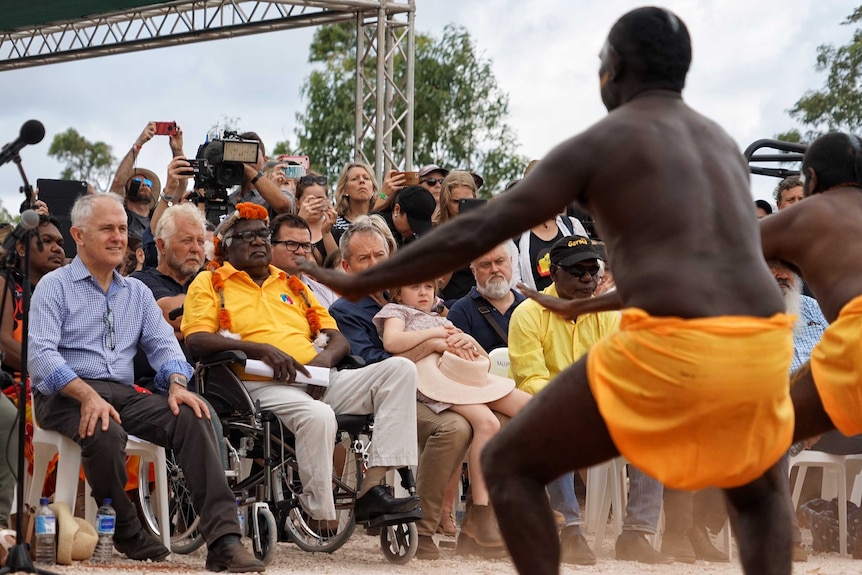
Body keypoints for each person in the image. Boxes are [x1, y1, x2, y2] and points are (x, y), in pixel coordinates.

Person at [299, 8, 796, 575]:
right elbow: (691, 263)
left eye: (602, 61)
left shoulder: (606, 139)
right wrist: (592, 301)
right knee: (756, 493)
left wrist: (363, 278)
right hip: (761, 336)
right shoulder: (720, 143)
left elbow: (480, 226)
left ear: (617, 69)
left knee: (510, 459)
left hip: (678, 340)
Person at [26, 193, 263, 571]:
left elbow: (166, 346)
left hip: (121, 393)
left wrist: (175, 383)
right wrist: (87, 395)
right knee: (103, 427)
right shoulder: (55, 286)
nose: (119, 237)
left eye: (122, 228)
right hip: (66, 393)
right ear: (78, 235)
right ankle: (126, 526)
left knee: (193, 415)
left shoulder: (135, 292)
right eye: (107, 229)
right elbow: (41, 358)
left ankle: (224, 541)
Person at [181, 203, 419, 525]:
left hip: (317, 379)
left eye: (262, 235)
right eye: (246, 236)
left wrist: (321, 365)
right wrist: (260, 349)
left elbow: (337, 338)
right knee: (318, 415)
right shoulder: (209, 283)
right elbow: (196, 341)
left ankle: (371, 489)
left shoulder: (293, 285)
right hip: (258, 384)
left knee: (401, 370)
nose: (257, 242)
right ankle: (320, 514)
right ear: (226, 246)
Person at [508, 235, 668, 565]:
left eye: (592, 270)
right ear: (553, 274)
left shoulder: (606, 314)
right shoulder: (528, 313)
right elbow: (531, 381)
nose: (587, 279)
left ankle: (637, 534)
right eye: (576, 270)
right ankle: (571, 531)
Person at [328, 217, 475, 560]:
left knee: (479, 418)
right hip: (381, 397)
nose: (375, 264)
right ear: (347, 267)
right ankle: (420, 528)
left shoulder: (411, 296)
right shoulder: (345, 310)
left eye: (381, 255)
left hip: (430, 387)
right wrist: (433, 344)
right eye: (364, 259)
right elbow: (373, 365)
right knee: (453, 428)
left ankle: (469, 520)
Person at [374, 280, 531, 550]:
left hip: (463, 377)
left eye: (428, 287)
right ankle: (480, 516)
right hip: (433, 381)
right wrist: (434, 338)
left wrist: (466, 339)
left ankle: (512, 504)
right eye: (415, 287)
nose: (423, 292)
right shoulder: (397, 312)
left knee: (530, 409)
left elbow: (485, 361)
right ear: (399, 292)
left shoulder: (442, 319)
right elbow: (392, 342)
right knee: (487, 422)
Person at [0, 215, 66, 527]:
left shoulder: (65, 292)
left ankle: (71, 521)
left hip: (58, 384)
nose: (58, 248)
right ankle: (23, 523)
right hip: (15, 385)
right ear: (23, 250)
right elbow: (3, 344)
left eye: (61, 243)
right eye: (48, 241)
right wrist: (48, 370)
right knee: (35, 419)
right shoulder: (5, 284)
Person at [447, 242, 525, 353]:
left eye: (499, 261)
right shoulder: (461, 312)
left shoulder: (529, 307)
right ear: (473, 271)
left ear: (510, 262)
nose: (494, 269)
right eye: (486, 265)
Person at [269, 213, 340, 308]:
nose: (301, 251)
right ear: (271, 247)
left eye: (306, 246)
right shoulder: (258, 288)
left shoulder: (325, 293)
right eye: (292, 244)